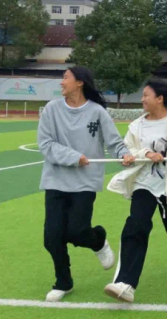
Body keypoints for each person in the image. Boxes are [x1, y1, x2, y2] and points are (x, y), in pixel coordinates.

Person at [37, 67, 134, 302]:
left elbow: (114, 142)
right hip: (56, 180)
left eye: (65, 78)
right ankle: (63, 283)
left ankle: (98, 239)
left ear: (79, 82)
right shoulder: (51, 109)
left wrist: (124, 154)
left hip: (85, 182)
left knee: (77, 231)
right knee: (52, 237)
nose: (61, 82)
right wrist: (74, 157)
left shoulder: (97, 112)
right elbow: (46, 144)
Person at [104, 80, 167, 303]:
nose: (142, 99)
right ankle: (125, 283)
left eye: (146, 95)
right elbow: (128, 149)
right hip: (144, 184)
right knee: (136, 225)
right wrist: (145, 154)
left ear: (160, 98)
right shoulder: (136, 126)